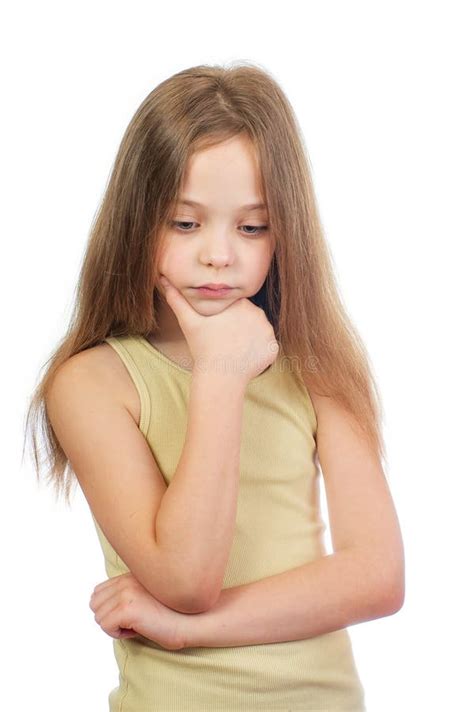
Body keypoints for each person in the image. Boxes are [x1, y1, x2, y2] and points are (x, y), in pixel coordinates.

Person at [24, 61, 404, 711]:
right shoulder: (92, 384)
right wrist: (222, 374)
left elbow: (377, 577)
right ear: (136, 221)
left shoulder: (319, 365)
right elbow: (186, 577)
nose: (219, 255)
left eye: (252, 226)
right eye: (185, 222)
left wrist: (191, 630)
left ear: (286, 232)